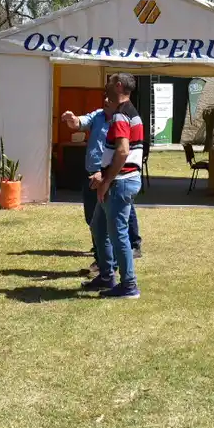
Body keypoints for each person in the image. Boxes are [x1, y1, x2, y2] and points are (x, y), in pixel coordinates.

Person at [80, 73, 144, 298]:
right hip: (121, 181)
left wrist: (106, 181)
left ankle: (129, 286)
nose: (104, 87)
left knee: (118, 234)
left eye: (109, 82)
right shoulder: (129, 113)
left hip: (119, 184)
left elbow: (123, 150)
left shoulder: (120, 116)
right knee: (98, 226)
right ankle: (107, 276)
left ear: (118, 86)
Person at [61, 103, 141, 271]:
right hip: (91, 174)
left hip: (110, 176)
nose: (105, 99)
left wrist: (105, 175)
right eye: (104, 96)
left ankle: (115, 263)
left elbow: (122, 152)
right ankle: (103, 261)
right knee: (94, 221)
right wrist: (72, 119)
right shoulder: (98, 115)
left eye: (109, 97)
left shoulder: (123, 120)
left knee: (114, 223)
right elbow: (80, 122)